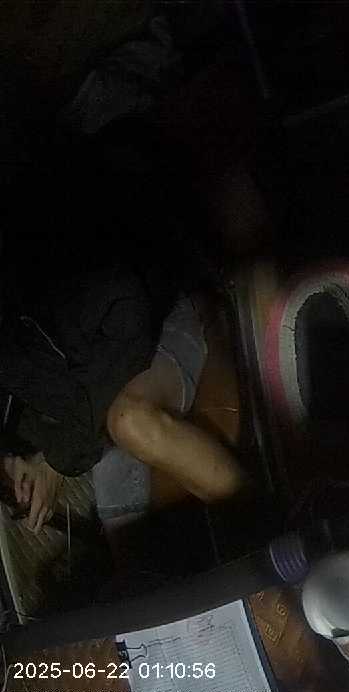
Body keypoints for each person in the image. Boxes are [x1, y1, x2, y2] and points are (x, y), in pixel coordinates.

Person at [0, 121, 246, 541]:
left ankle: (267, 525)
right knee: (122, 517)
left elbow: (126, 311)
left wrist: (59, 457)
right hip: (95, 363)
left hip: (163, 307)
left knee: (130, 420)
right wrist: (18, 454)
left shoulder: (33, 237)